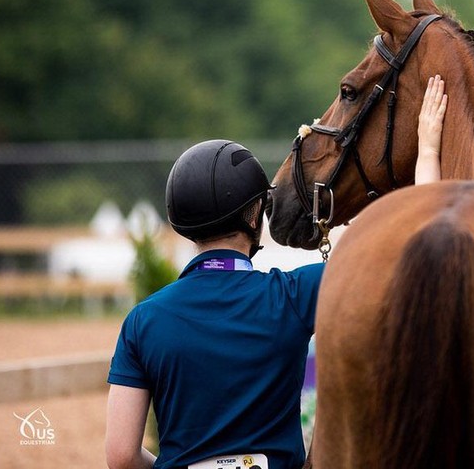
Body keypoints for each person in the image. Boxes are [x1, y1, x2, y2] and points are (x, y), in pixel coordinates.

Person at [105, 76, 447, 469]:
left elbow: (121, 454)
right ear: (254, 215)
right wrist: (428, 150)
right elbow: (414, 249)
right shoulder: (294, 295)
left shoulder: (142, 321)